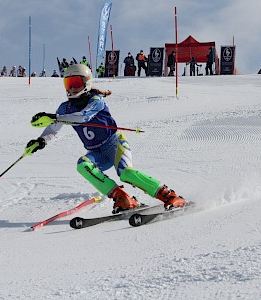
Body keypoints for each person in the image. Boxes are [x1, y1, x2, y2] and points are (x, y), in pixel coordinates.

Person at [25, 64, 188, 213]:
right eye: (69, 84)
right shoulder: (65, 107)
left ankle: (169, 195)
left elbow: (83, 117)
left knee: (126, 173)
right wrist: (41, 141)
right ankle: (122, 197)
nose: (73, 88)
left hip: (115, 144)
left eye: (76, 83)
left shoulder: (96, 100)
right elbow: (53, 127)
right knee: (83, 165)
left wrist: (55, 117)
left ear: (86, 83)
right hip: (97, 152)